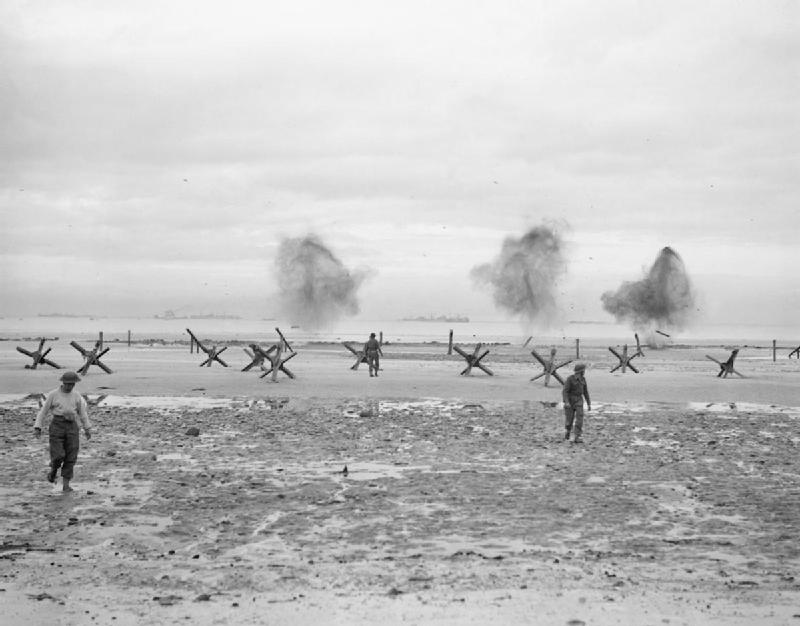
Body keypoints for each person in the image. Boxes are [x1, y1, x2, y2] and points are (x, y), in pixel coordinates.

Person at [33, 371, 92, 492]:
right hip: (57, 426)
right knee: (58, 455)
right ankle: (53, 470)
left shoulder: (76, 396)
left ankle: (66, 485)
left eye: (73, 384)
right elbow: (43, 411)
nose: (70, 386)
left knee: (71, 456)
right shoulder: (53, 395)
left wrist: (87, 428)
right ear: (63, 383)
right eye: (68, 384)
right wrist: (37, 427)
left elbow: (82, 413)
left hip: (72, 427)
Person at [562, 362, 591, 443]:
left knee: (580, 419)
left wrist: (589, 403)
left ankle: (577, 436)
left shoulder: (583, 379)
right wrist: (566, 402)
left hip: (579, 400)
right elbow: (565, 391)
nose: (584, 372)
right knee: (569, 420)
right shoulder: (570, 379)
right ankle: (567, 431)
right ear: (580, 371)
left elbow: (585, 392)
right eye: (583, 370)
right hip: (570, 401)